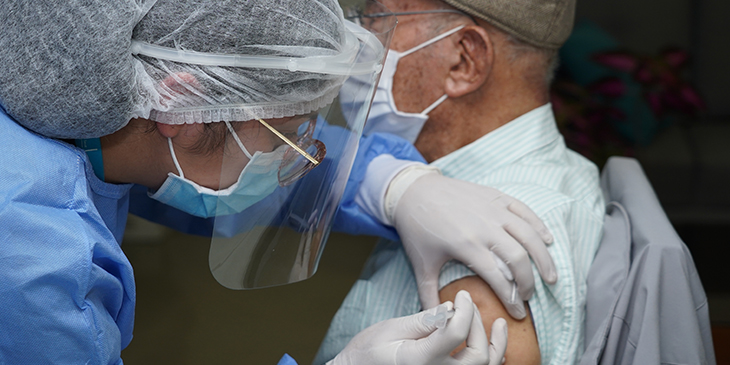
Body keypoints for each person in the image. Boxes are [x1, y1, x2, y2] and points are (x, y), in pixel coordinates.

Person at [0, 0, 555, 364]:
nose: (300, 159)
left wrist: (390, 181)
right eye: (288, 137)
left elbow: (208, 150)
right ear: (180, 102)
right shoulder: (35, 265)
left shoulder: (73, 118)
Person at [316, 0, 606, 364]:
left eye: (376, 16)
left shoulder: (490, 251)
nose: (355, 36)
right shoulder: (564, 172)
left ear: (463, 61)